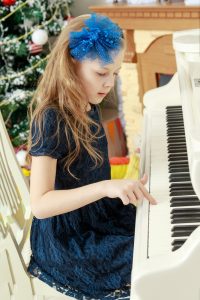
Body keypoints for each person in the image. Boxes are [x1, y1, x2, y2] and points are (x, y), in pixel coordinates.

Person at [27, 13, 157, 300]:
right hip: (66, 237)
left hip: (96, 213)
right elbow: (40, 204)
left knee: (157, 235)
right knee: (151, 260)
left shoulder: (89, 104)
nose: (109, 83)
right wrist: (105, 187)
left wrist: (119, 183)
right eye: (101, 73)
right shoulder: (51, 118)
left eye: (115, 73)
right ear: (71, 65)